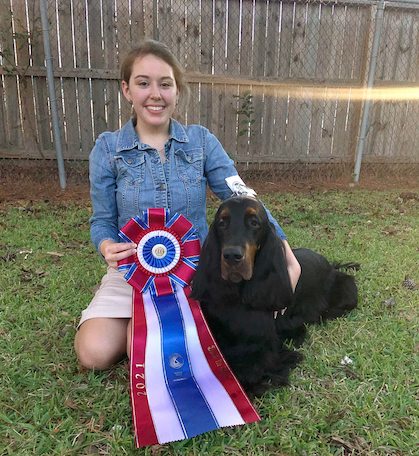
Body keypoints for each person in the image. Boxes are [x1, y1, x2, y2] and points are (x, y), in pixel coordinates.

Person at [74, 40, 301, 370]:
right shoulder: (107, 149)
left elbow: (240, 194)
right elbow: (102, 220)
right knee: (93, 354)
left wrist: (282, 245)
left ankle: (139, 329)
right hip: (130, 273)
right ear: (126, 89)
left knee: (150, 349)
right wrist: (106, 245)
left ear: (177, 91)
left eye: (165, 84)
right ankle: (132, 319)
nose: (155, 94)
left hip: (194, 272)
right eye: (143, 83)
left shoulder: (201, 141)